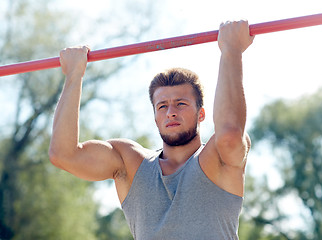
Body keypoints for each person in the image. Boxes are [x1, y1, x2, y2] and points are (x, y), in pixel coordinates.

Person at [49, 20, 254, 239]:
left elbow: (230, 134)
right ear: (155, 116)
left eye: (181, 104)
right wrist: (74, 75)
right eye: (162, 106)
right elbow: (64, 154)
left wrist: (231, 50)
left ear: (200, 114)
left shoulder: (217, 158)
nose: (171, 112)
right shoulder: (131, 162)